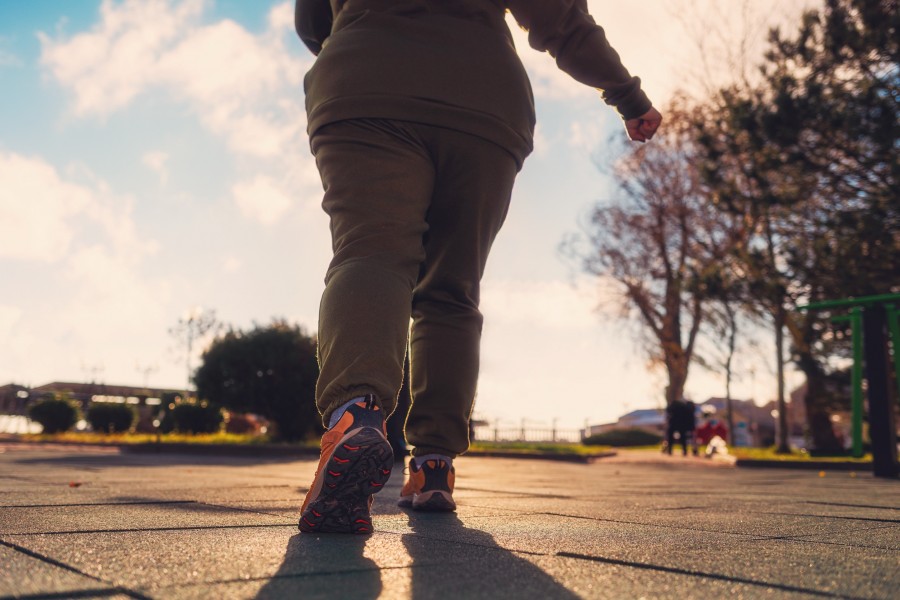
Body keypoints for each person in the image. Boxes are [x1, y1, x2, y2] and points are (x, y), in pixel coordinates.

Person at [294, 0, 662, 534]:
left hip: (366, 84)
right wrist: (627, 95)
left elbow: (312, 25)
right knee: (452, 290)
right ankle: (434, 464)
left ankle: (357, 414)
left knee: (370, 252)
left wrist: (368, 40)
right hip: (483, 105)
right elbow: (560, 19)